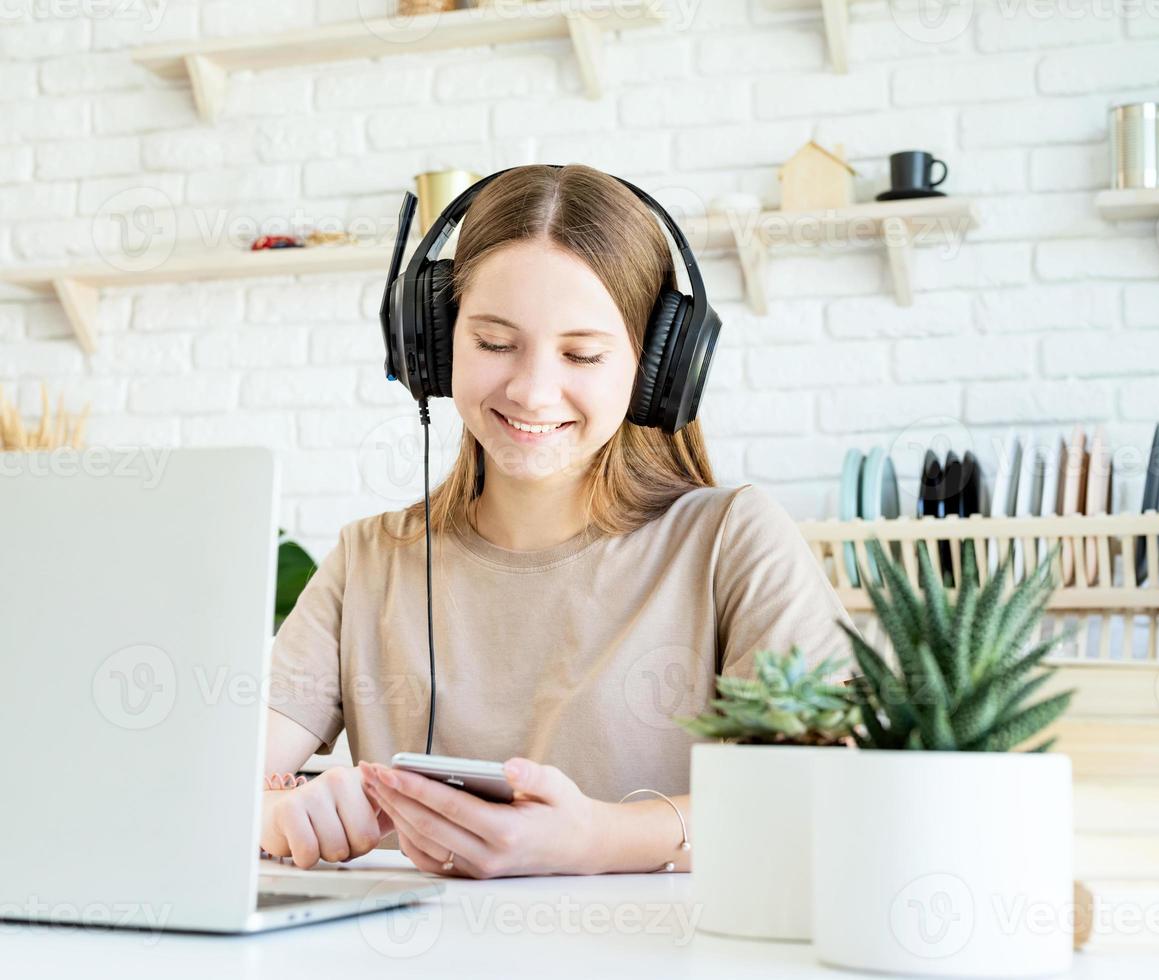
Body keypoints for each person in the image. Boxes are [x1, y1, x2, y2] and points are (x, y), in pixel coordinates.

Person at [259, 164, 859, 878]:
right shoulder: (371, 559)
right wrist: (272, 814)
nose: (533, 391)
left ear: (656, 367)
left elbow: (823, 793)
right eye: (493, 343)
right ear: (434, 346)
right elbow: (200, 781)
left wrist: (600, 839)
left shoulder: (731, 540)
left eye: (582, 353)